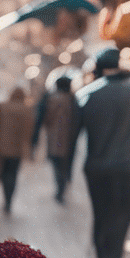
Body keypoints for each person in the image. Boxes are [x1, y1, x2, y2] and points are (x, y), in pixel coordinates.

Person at [73, 49, 130, 258]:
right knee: (120, 218)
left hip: (96, 168)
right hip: (127, 167)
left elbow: (72, 136)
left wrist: (64, 170)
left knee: (101, 215)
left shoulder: (86, 95)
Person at [0, 87, 33, 214]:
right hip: (16, 150)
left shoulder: (2, 107)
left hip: (0, 148)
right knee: (12, 176)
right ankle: (8, 201)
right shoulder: (26, 110)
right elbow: (28, 132)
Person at [42, 75, 78, 203]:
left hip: (55, 138)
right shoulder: (73, 99)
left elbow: (47, 118)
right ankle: (62, 188)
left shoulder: (52, 99)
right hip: (70, 139)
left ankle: (60, 189)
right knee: (64, 165)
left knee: (58, 166)